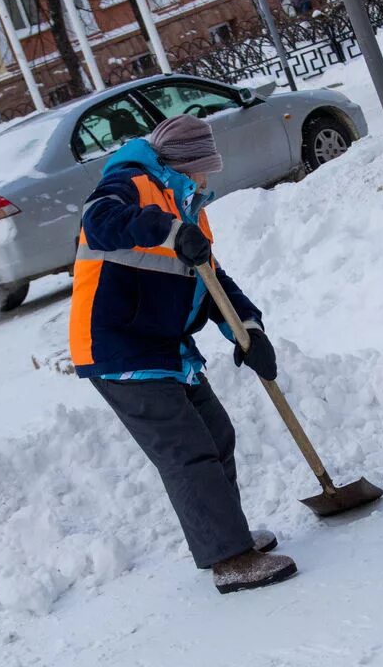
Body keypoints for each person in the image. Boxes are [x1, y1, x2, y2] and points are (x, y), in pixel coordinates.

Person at [68, 115, 298, 595]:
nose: (207, 177)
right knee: (187, 450)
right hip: (120, 347)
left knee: (216, 434)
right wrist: (169, 231)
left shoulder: (187, 204)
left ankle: (226, 536)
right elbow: (99, 220)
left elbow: (211, 278)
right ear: (183, 163)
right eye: (203, 167)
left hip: (164, 343)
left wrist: (249, 329)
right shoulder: (126, 182)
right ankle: (229, 558)